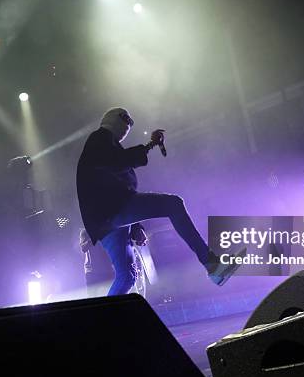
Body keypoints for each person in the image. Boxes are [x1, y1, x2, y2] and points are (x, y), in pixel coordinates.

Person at [76, 107, 242, 296]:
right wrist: (150, 145)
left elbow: (117, 182)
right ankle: (213, 266)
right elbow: (118, 164)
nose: (129, 127)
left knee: (127, 276)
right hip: (111, 212)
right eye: (127, 122)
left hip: (104, 221)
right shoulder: (100, 139)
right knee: (174, 204)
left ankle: (103, 322)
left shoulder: (105, 145)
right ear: (116, 120)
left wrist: (136, 226)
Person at [79, 224, 147, 297]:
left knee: (127, 279)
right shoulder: (85, 231)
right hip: (93, 273)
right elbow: (83, 248)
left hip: (109, 270)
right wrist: (96, 237)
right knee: (94, 297)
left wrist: (138, 229)